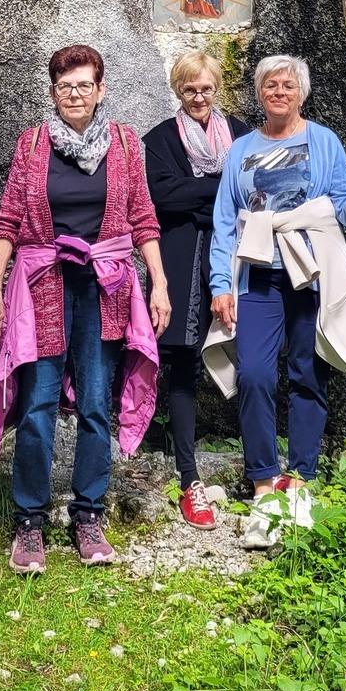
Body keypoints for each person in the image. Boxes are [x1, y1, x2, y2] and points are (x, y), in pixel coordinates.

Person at [0, 43, 171, 575]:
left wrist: (158, 283)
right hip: (42, 284)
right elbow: (8, 220)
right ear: (53, 92)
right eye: (65, 86)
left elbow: (143, 218)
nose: (75, 94)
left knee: (94, 401)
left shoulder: (125, 144)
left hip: (105, 288)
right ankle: (30, 521)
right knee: (38, 401)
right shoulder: (32, 144)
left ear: (100, 89)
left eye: (84, 85)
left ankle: (89, 514)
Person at [205, 55, 346, 551]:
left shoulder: (323, 141)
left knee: (308, 373)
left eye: (287, 85)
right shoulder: (241, 150)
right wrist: (220, 284)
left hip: (311, 274)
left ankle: (299, 481)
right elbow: (224, 221)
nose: (278, 92)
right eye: (270, 85)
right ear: (259, 93)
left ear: (301, 93)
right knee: (254, 374)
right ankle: (263, 484)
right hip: (257, 275)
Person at [143, 51, 249, 529]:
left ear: (217, 88)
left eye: (205, 88)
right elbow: (162, 197)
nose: (199, 97)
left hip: (235, 257)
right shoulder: (160, 139)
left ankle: (259, 469)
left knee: (250, 357)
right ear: (177, 91)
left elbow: (249, 194)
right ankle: (189, 477)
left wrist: (197, 191)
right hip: (181, 259)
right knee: (184, 364)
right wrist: (220, 190)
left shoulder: (243, 135)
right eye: (189, 90)